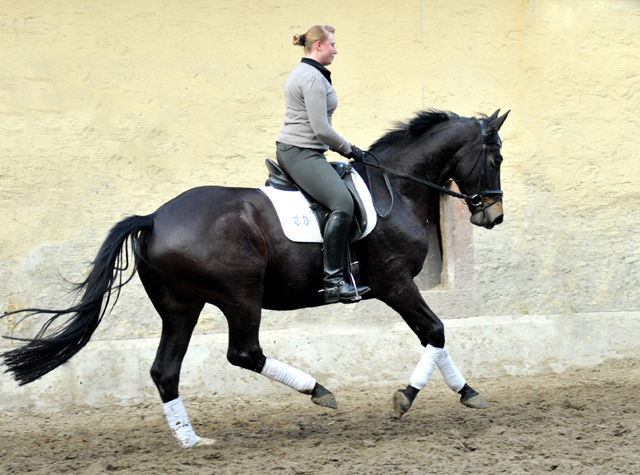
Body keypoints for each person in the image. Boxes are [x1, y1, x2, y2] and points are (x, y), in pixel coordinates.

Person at [275, 25, 370, 304]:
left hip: (303, 150)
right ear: (318, 46)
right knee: (343, 203)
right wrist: (350, 149)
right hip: (301, 152)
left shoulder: (306, 73)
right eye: (332, 45)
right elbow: (321, 129)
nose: (336, 50)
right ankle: (333, 283)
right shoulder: (313, 78)